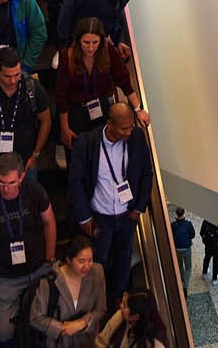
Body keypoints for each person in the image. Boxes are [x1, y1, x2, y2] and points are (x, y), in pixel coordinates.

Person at [0, 155, 57, 346]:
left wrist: (50, 258)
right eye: (1, 182)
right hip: (7, 277)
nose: (5, 188)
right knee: (4, 333)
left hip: (39, 267)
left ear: (21, 178)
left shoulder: (34, 191)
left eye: (11, 183)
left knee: (53, 317)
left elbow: (49, 222)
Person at [70, 102, 153, 301]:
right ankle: (93, 300)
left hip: (127, 215)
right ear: (110, 124)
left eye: (131, 126)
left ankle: (118, 298)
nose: (129, 131)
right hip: (100, 217)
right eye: (124, 128)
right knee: (97, 261)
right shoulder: (88, 142)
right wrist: (84, 217)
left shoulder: (137, 138)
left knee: (124, 258)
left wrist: (139, 208)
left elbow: (146, 173)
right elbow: (76, 181)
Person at [52, 18, 144, 156]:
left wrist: (138, 109)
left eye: (95, 42)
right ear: (78, 41)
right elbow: (61, 95)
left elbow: (124, 81)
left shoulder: (109, 51)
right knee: (79, 154)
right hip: (77, 111)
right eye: (86, 42)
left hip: (102, 107)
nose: (90, 48)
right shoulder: (68, 56)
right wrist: (65, 128)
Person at [0, 45, 54, 175]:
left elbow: (46, 121)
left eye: (17, 74)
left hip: (25, 165)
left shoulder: (32, 88)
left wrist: (36, 154)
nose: (13, 81)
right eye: (7, 76)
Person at [21, 235, 107, 344]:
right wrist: (63, 328)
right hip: (59, 343)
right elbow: (35, 318)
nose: (87, 266)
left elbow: (101, 309)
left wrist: (83, 323)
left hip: (87, 342)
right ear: (68, 260)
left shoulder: (97, 272)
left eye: (90, 260)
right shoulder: (50, 281)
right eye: (81, 261)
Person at [98, 288, 170, 348]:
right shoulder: (120, 316)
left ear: (135, 317)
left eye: (125, 305)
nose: (121, 305)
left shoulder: (154, 344)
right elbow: (101, 341)